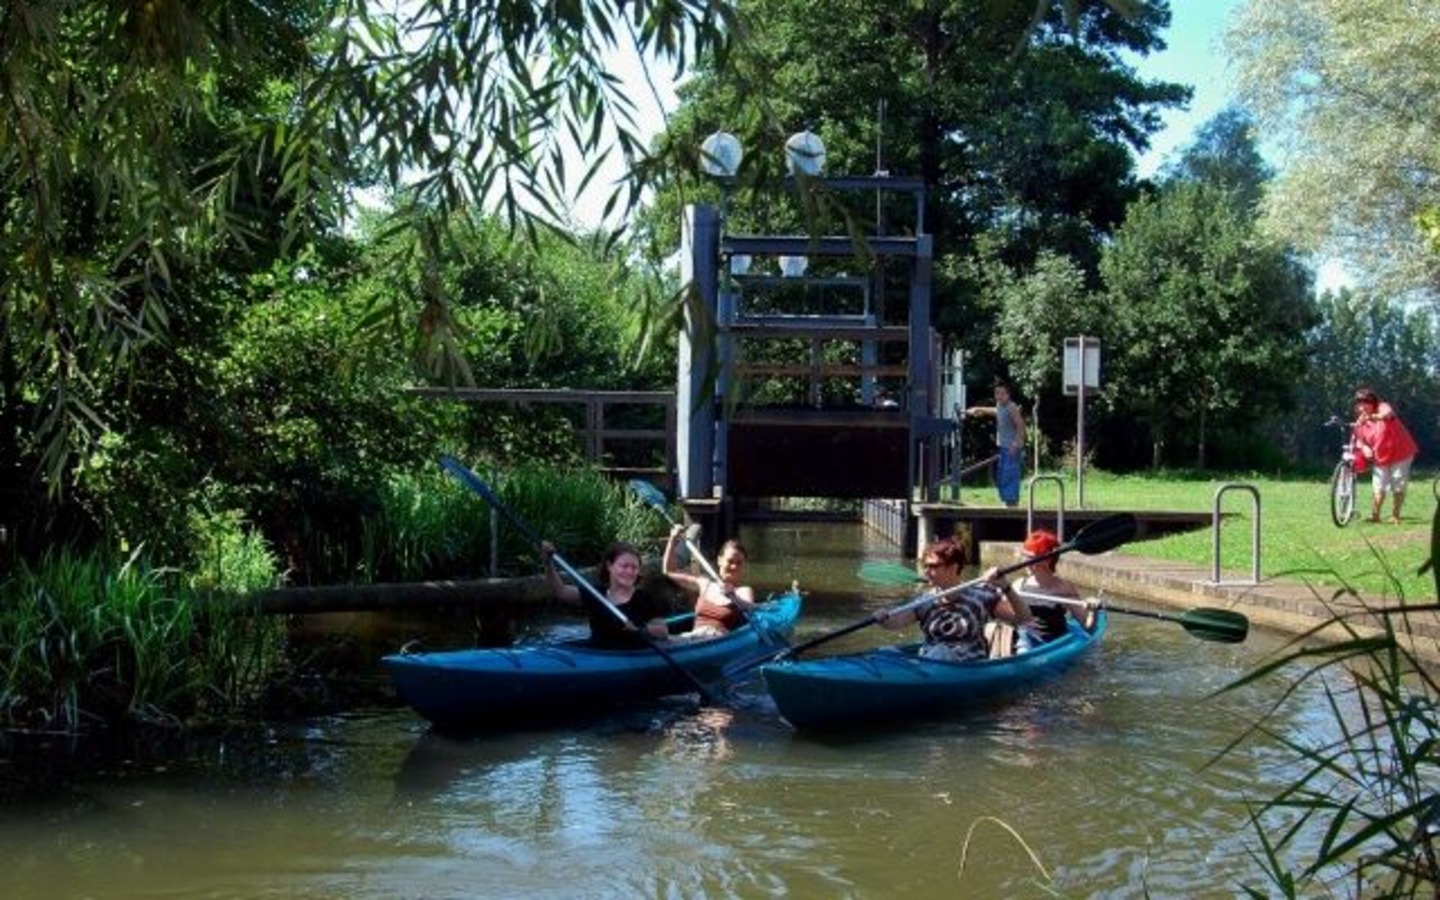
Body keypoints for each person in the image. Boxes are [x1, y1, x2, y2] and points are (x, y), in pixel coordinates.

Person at [876, 537, 1030, 662]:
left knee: (941, 653)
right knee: (885, 652)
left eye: (933, 566)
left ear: (953, 567)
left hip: (968, 667)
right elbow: (895, 623)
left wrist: (1006, 587)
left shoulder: (982, 596)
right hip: (929, 660)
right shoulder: (926, 600)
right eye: (925, 566)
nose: (927, 571)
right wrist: (883, 618)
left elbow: (1023, 618)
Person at [541, 540, 671, 649]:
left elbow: (663, 631)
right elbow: (560, 591)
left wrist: (642, 629)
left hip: (630, 658)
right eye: (624, 566)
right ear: (609, 566)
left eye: (634, 567)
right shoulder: (595, 594)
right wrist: (548, 563)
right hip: (597, 655)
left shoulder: (644, 598)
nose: (630, 571)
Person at [662, 524, 757, 638]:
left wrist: (733, 596)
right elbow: (669, 571)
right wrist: (673, 540)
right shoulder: (705, 584)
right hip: (694, 639)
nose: (734, 566)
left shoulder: (743, 591)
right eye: (730, 561)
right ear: (719, 560)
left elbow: (751, 609)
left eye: (739, 563)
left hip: (719, 639)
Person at [1013, 529, 1096, 649]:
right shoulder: (1018, 585)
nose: (1024, 562)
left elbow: (1088, 627)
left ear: (1047, 560)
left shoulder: (1063, 588)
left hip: (1053, 646)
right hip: (1025, 642)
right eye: (1024, 556)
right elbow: (1002, 614)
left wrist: (1093, 611)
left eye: (1029, 558)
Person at [1351, 387, 1419, 524]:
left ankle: (1395, 515)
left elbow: (1388, 413)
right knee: (1378, 486)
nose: (1363, 406)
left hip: (1401, 453)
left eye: (1367, 402)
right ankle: (1376, 516)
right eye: (1360, 403)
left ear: (1373, 403)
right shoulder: (1360, 422)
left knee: (1398, 483)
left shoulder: (1382, 407)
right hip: (1380, 456)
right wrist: (1364, 448)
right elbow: (1359, 440)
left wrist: (1374, 416)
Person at [964, 381, 1027, 507]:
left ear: (1008, 395)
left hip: (1011, 447)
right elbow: (994, 411)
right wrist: (978, 409)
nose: (999, 396)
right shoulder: (1000, 406)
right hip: (1003, 447)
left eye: (1002, 393)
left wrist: (1015, 444)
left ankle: (1012, 503)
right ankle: (1007, 502)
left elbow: (1021, 425)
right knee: (1001, 475)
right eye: (997, 393)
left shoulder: (1011, 407)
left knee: (1010, 474)